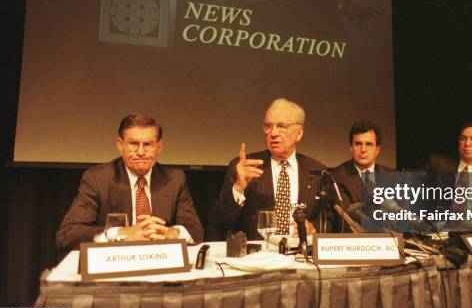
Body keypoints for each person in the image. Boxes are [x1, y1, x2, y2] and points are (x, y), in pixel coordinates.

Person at [56, 114, 204, 251]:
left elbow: (195, 231)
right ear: (120, 145)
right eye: (133, 144)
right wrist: (122, 233)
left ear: (159, 147)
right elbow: (67, 235)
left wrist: (171, 233)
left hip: (160, 263)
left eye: (148, 144)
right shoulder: (97, 178)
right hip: (116, 266)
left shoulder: (174, 179)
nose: (140, 152)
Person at [211, 98, 330, 239]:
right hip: (257, 255)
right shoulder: (245, 167)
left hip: (298, 253)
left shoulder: (316, 170)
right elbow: (220, 222)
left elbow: (328, 219)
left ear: (299, 133)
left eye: (281, 126)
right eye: (268, 126)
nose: (273, 133)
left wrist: (312, 228)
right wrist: (238, 188)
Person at [329, 121, 394, 231]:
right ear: (351, 148)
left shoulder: (392, 176)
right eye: (358, 144)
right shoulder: (337, 176)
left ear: (377, 150)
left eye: (369, 144)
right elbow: (346, 220)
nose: (363, 150)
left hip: (390, 242)